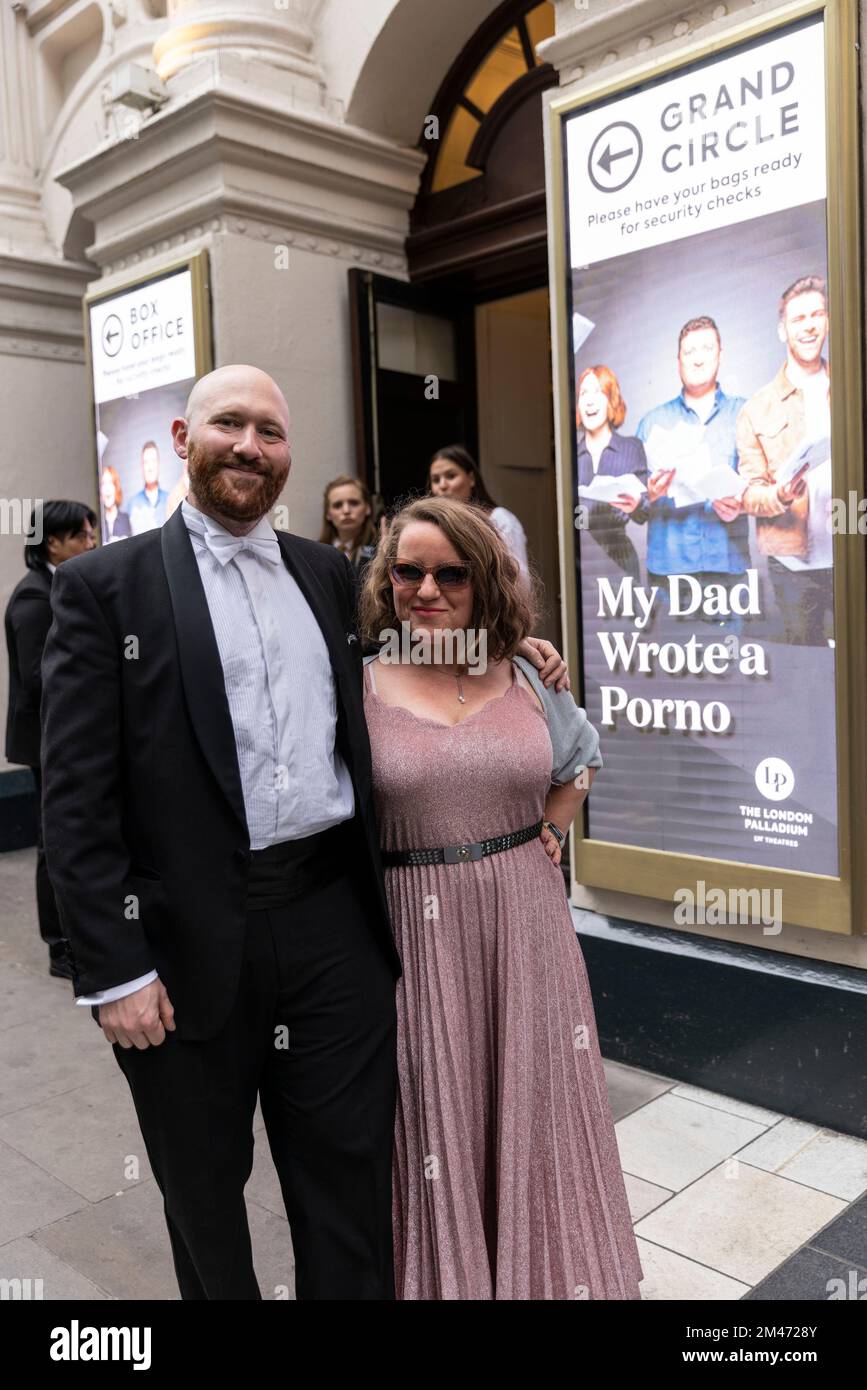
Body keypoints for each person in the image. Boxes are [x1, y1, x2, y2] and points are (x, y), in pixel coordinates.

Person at [40, 364, 569, 1301]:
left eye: (271, 433)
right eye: (229, 425)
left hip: (332, 930)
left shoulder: (328, 575)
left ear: (289, 455)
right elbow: (75, 799)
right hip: (181, 944)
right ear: (180, 439)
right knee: (203, 1191)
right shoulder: (101, 591)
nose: (250, 446)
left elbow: (410, 653)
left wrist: (505, 647)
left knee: (350, 1181)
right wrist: (112, 969)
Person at [358, 496, 644, 1300]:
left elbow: (579, 759)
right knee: (436, 1117)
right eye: (407, 570)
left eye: (451, 573)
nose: (426, 589)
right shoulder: (360, 682)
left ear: (484, 581)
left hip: (527, 927)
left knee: (538, 1106)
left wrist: (547, 831)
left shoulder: (522, 670)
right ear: (387, 580)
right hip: (416, 934)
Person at [4, 500, 96, 978]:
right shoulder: (33, 599)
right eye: (81, 535)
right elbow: (39, 678)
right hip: (47, 740)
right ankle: (59, 946)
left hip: (66, 736)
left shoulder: (60, 585)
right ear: (52, 543)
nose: (92, 541)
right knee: (52, 841)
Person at [635, 317, 749, 630]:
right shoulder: (651, 423)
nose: (698, 358)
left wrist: (744, 501)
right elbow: (634, 505)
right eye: (689, 351)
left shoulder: (745, 413)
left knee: (736, 669)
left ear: (720, 354)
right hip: (668, 575)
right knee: (673, 672)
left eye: (706, 348)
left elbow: (764, 484)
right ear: (678, 361)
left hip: (728, 570)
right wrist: (650, 494)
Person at [736, 276, 833, 646]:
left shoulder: (854, 386)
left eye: (817, 314)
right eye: (798, 318)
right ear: (783, 330)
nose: (809, 326)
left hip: (851, 553)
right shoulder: (757, 408)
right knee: (807, 672)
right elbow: (749, 494)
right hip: (793, 566)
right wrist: (780, 494)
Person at [575, 365, 648, 584]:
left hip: (621, 560)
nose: (589, 400)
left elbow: (646, 510)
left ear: (611, 399)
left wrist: (636, 504)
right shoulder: (571, 457)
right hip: (581, 563)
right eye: (583, 393)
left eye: (597, 392)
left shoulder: (631, 448)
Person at [429, 444, 530, 583]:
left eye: (451, 476)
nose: (442, 485)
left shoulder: (500, 519)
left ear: (471, 478)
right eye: (436, 480)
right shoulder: (431, 527)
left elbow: (522, 582)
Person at [319, 474, 378, 580]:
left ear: (368, 508)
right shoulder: (316, 552)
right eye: (337, 505)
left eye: (354, 503)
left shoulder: (380, 549)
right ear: (328, 514)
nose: (346, 510)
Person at [128, 439, 169, 534]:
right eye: (146, 462)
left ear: (158, 464)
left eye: (153, 461)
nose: (150, 468)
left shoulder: (170, 500)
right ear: (141, 467)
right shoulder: (132, 505)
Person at [100, 465, 132, 543]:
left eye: (110, 483)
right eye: (104, 483)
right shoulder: (98, 522)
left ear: (116, 488)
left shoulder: (126, 519)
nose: (107, 489)